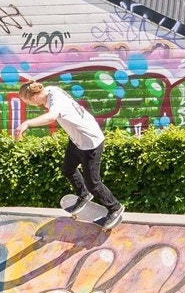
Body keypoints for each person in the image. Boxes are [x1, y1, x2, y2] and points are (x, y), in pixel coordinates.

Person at [12, 79, 125, 229]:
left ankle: (115, 207)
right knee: (68, 170)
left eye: (27, 102)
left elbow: (52, 117)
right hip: (77, 139)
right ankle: (83, 194)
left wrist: (27, 123)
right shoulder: (51, 89)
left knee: (93, 183)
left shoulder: (56, 102)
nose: (29, 105)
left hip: (90, 142)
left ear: (33, 98)